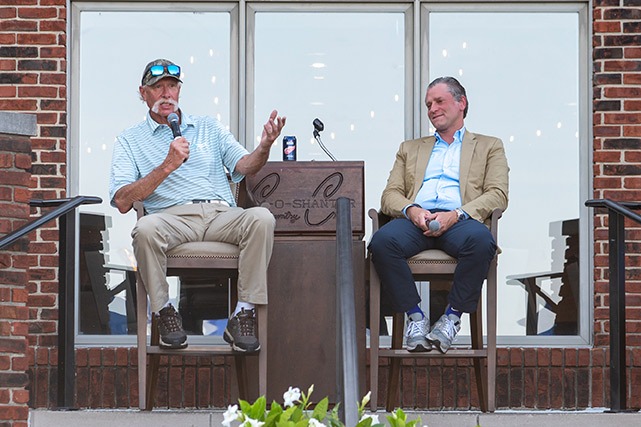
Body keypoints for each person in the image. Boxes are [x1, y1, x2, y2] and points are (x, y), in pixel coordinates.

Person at [109, 58, 286, 353]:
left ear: (179, 91)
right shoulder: (130, 140)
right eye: (157, 87)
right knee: (144, 229)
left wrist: (265, 146)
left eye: (172, 86)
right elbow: (122, 201)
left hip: (220, 214)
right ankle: (164, 312)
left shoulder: (208, 127)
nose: (166, 94)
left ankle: (242, 314)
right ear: (143, 93)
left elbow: (245, 166)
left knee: (262, 218)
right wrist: (167, 165)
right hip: (172, 219)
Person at [368, 76, 508, 353]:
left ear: (461, 102)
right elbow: (390, 194)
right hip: (417, 220)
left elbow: (497, 194)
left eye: (439, 101)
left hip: (460, 220)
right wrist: (413, 210)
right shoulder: (409, 148)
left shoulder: (489, 146)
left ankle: (451, 319)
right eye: (428, 104)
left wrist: (456, 214)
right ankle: (416, 318)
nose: (432, 109)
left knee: (482, 242)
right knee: (382, 242)